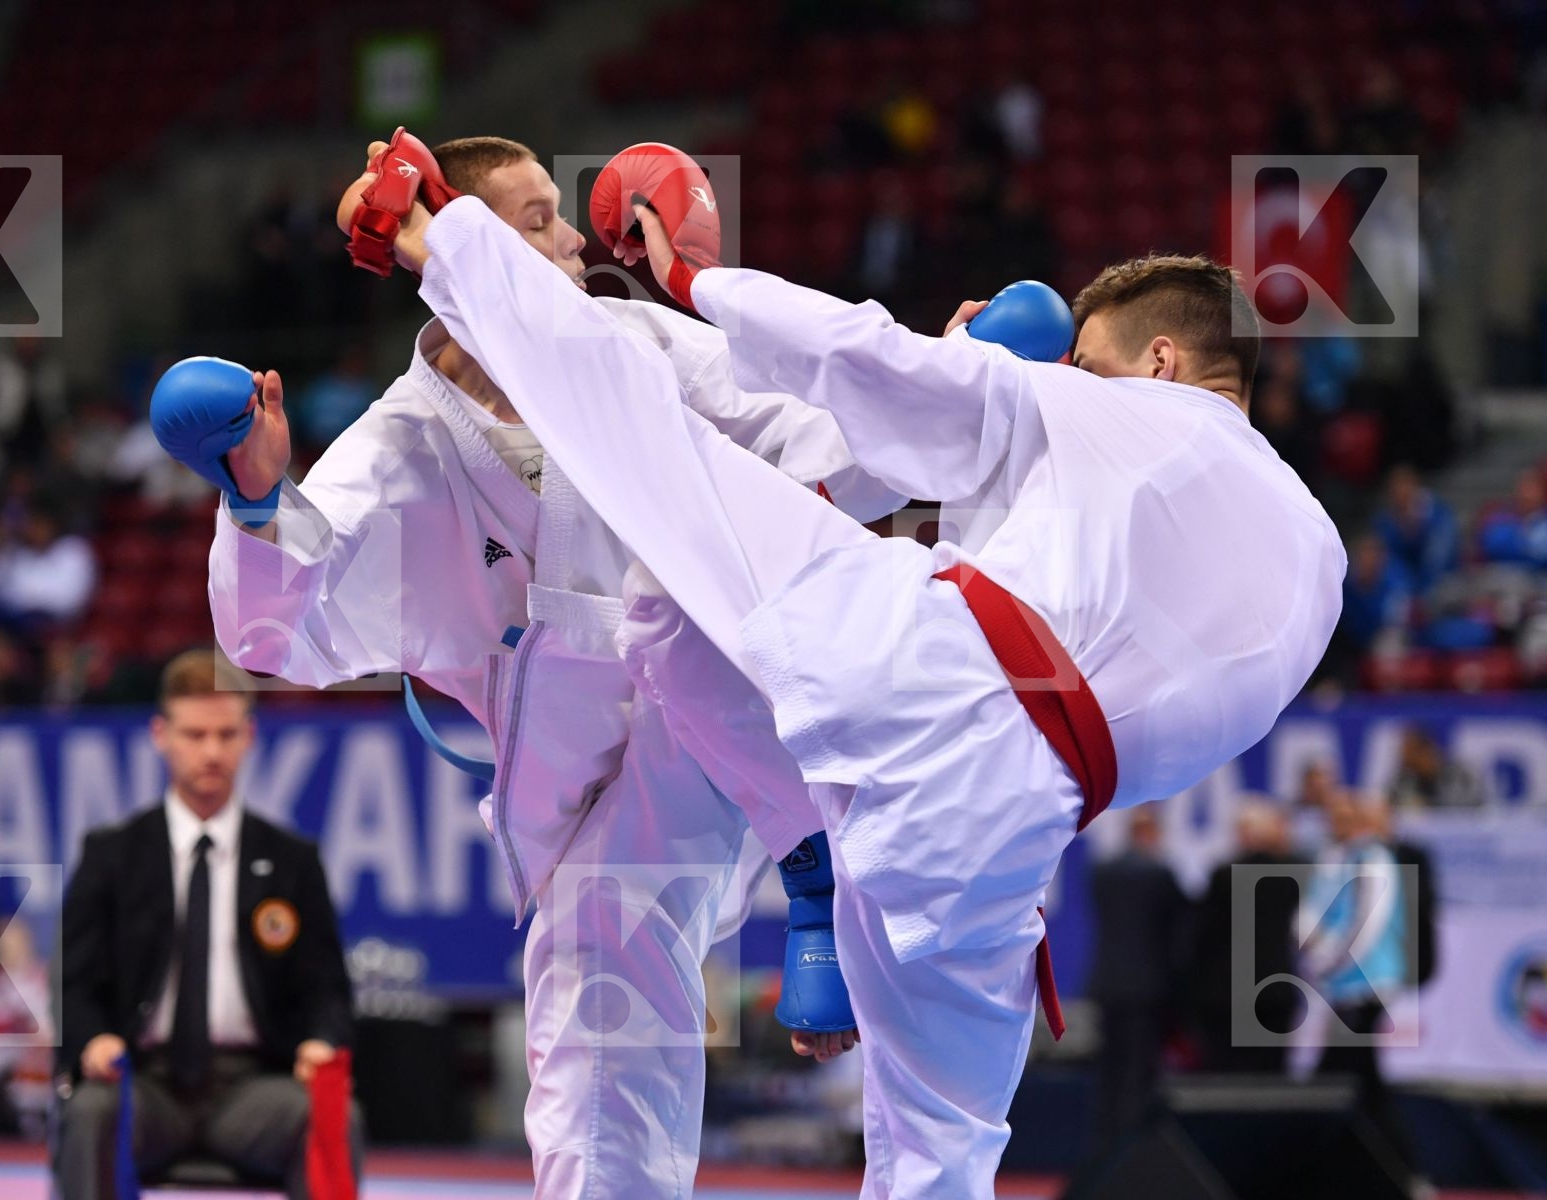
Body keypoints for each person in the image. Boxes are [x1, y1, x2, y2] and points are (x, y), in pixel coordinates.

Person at [371, 151, 1345, 1198]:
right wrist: (991, 393)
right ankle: (820, 862)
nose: (1069, 380)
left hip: (922, 671)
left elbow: (866, 363)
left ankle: (449, 240)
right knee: (945, 1151)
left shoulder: (1114, 412)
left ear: (1158, 362)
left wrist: (702, 285)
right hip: (1013, 838)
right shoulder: (1319, 563)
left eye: (1087, 364)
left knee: (659, 530)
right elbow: (1100, 615)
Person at [188, 137, 904, 1199]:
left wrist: (943, 381)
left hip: (740, 736)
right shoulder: (402, 453)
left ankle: (817, 869)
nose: (574, 238)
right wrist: (256, 500)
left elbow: (813, 435)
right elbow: (270, 638)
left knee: (681, 593)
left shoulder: (632, 346)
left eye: (558, 213)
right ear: (455, 249)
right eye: (534, 220)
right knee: (590, 1036)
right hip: (577, 798)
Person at [56, 651, 354, 1200]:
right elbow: (75, 984)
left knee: (329, 1114)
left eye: (225, 734)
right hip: (143, 1084)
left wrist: (320, 1040)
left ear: (249, 737)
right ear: (160, 734)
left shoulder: (291, 861)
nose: (211, 752)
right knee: (92, 1110)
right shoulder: (111, 856)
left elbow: (327, 988)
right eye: (194, 735)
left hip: (251, 1089)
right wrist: (94, 1040)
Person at [1304, 792, 1410, 1165]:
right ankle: (1385, 1159)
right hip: (1352, 983)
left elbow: (1366, 925)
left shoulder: (1373, 858)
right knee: (1358, 1073)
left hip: (1366, 983)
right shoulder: (1348, 858)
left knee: (1345, 1073)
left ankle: (1392, 1159)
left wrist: (1332, 964)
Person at [1087, 807, 1187, 1149]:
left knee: (1111, 1072)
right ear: (1153, 833)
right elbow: (1178, 933)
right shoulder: (1160, 874)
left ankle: (1106, 1148)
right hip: (1146, 991)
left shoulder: (1102, 872)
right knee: (1138, 1073)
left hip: (1108, 987)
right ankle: (1130, 1151)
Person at [1189, 800, 1304, 1073]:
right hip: (1275, 991)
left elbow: (1204, 936)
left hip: (1227, 993)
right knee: (1271, 1079)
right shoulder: (1291, 874)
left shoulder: (1224, 876)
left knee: (1227, 1078)